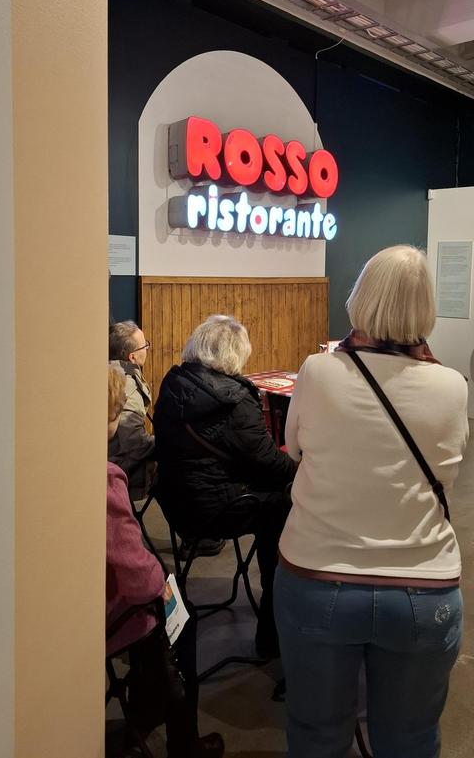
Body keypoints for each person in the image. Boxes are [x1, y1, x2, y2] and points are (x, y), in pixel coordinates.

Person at [274, 245, 469, 758]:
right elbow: (447, 473)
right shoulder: (452, 386)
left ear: (361, 298)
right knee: (410, 738)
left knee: (316, 734)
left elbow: (293, 449)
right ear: (426, 306)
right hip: (424, 586)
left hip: (317, 575)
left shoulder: (317, 371)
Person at [153, 314, 298, 656]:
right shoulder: (233, 398)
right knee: (285, 505)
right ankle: (273, 631)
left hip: (176, 504)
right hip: (216, 510)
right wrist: (303, 468)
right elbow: (269, 463)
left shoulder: (175, 382)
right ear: (236, 354)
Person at [106, 364, 224, 758]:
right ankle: (183, 741)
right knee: (179, 613)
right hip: (105, 615)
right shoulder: (105, 480)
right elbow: (140, 580)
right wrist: (164, 582)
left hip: (65, 605)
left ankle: (143, 711)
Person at [108, 320, 156, 498]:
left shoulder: (107, 372)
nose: (147, 349)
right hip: (125, 478)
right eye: (145, 346)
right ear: (132, 357)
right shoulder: (127, 385)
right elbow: (134, 443)